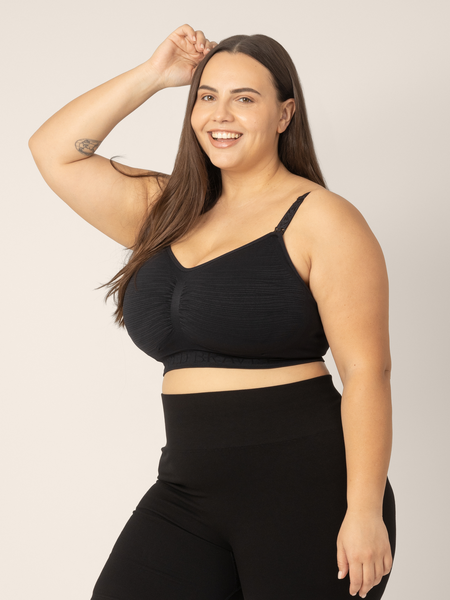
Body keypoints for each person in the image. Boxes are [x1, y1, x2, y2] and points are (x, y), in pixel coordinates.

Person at [29, 23, 396, 600]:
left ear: (284, 114)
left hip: (306, 489)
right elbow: (54, 152)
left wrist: (365, 510)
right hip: (187, 489)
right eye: (207, 96)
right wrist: (155, 75)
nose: (220, 115)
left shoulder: (322, 218)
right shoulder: (167, 210)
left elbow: (367, 372)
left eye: (244, 99)